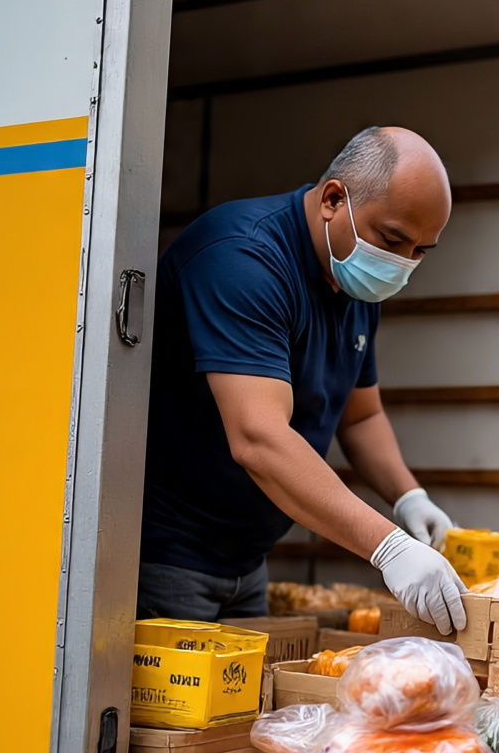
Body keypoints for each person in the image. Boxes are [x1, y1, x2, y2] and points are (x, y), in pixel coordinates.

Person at [138, 126, 467, 634]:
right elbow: (258, 438)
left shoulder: (355, 289)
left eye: (422, 250)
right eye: (393, 240)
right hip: (168, 556)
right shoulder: (243, 259)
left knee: (244, 713)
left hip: (248, 560)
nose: (403, 264)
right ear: (334, 199)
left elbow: (362, 415)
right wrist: (389, 546)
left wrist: (408, 497)